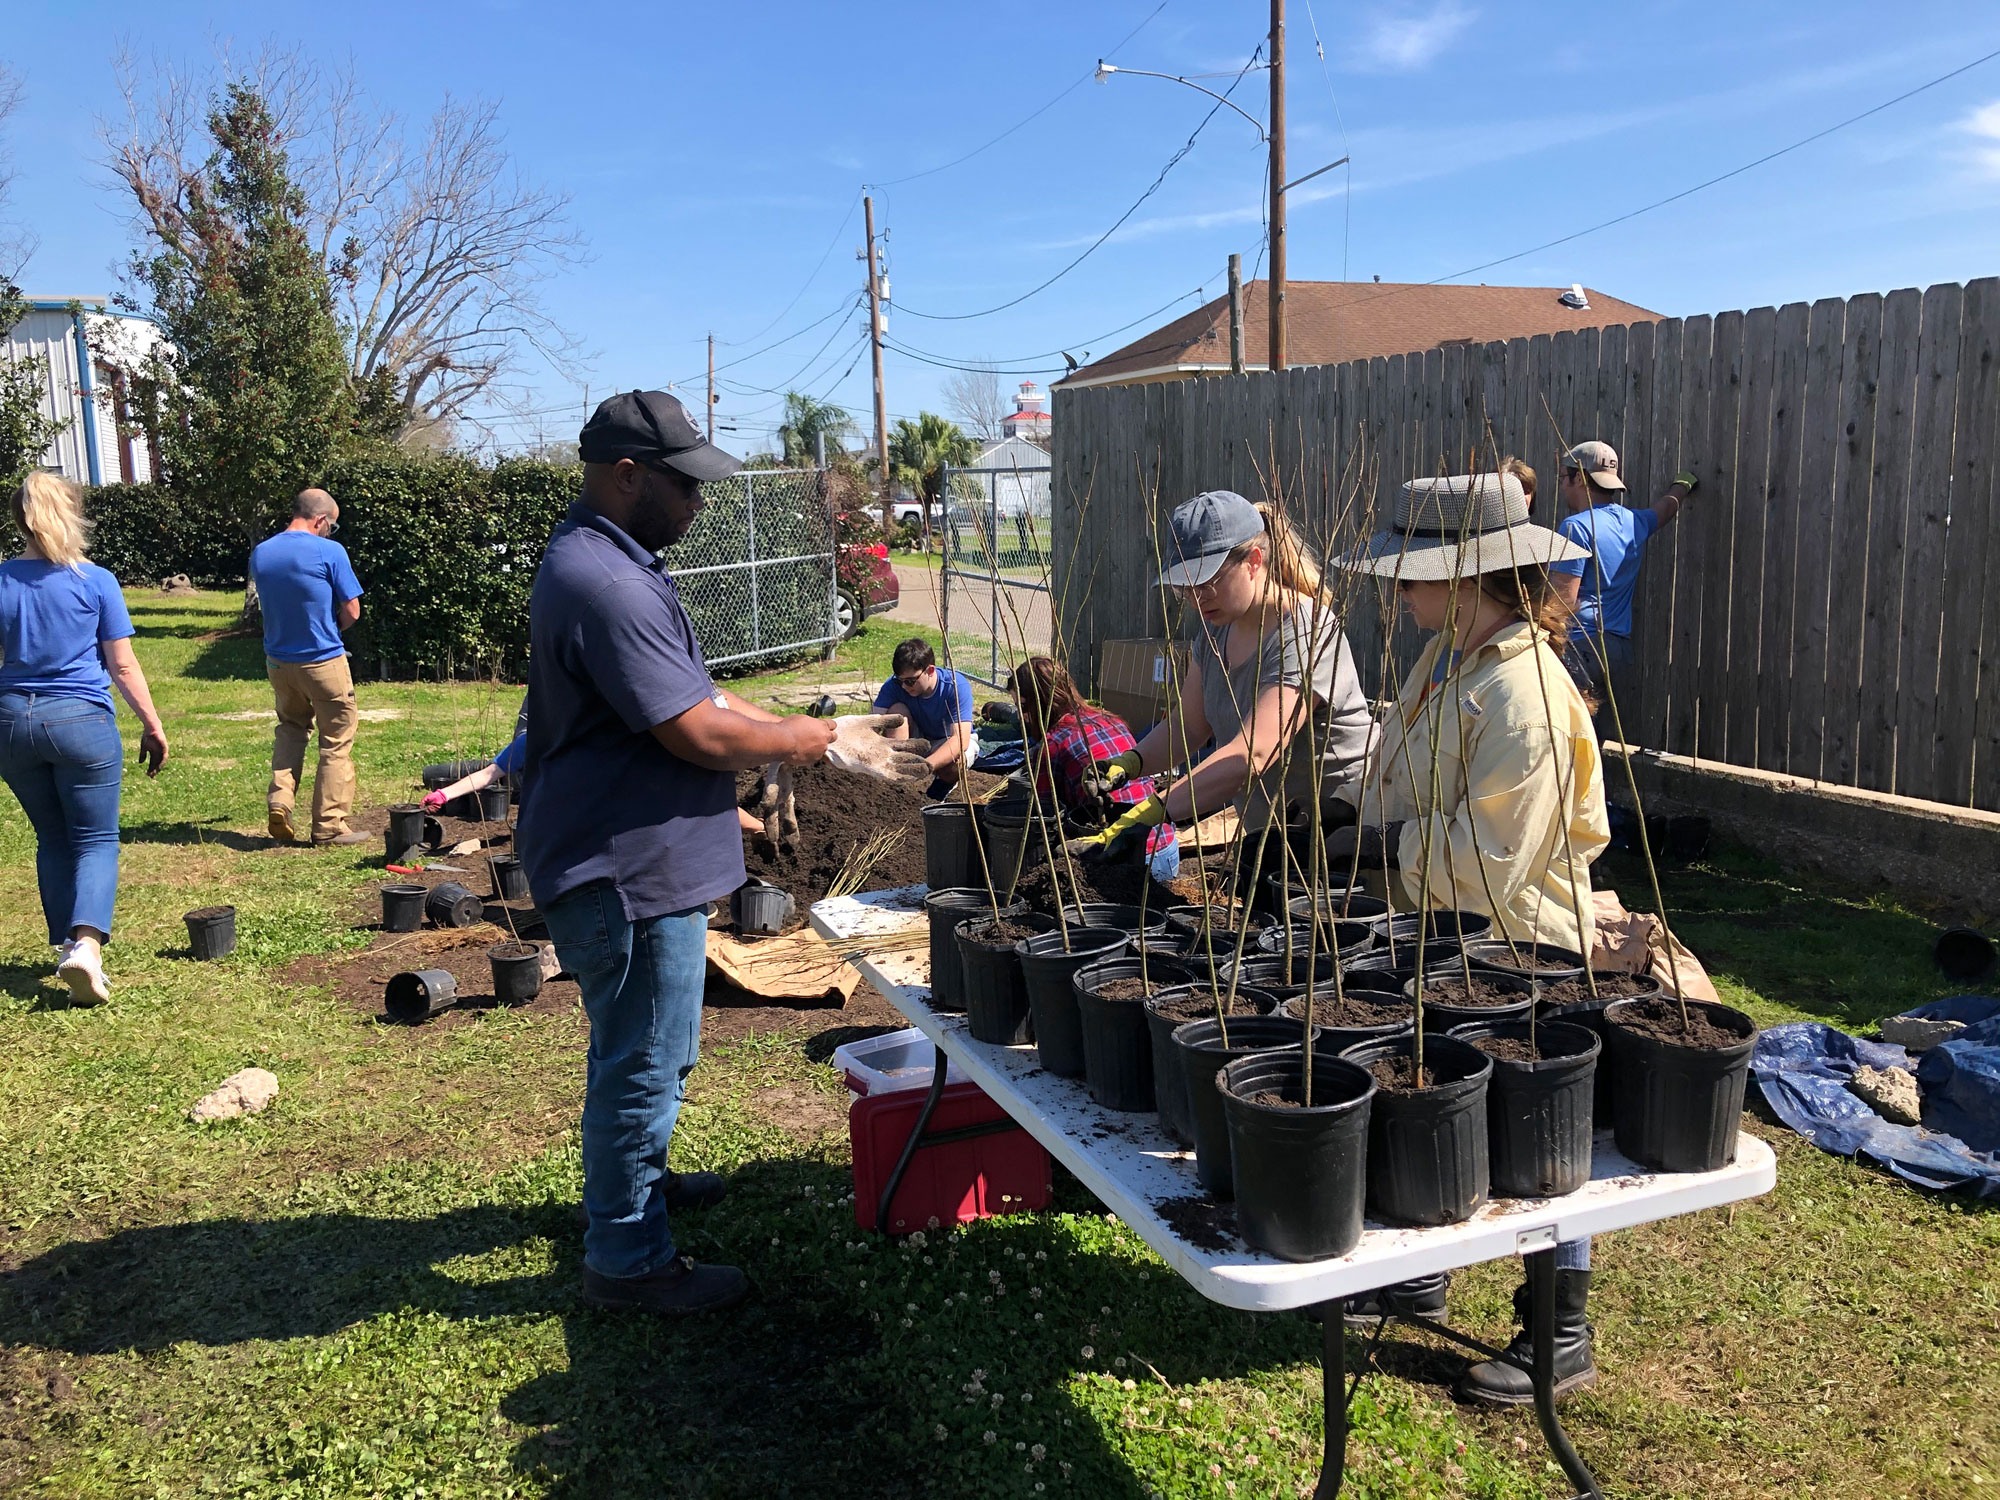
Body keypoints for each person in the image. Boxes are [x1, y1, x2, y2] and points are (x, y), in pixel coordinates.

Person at [517, 389, 836, 1318]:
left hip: (635, 854)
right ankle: (627, 1257)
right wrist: (803, 742)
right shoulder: (609, 583)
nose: (698, 504)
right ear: (626, 475)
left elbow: (696, 697)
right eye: (684, 485)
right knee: (643, 1059)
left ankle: (636, 1185)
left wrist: (780, 726)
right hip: (625, 868)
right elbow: (695, 730)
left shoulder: (610, 561)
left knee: (656, 1046)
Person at [1331, 468, 1610, 1406]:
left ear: (1467, 576)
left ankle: (1560, 1330)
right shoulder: (1448, 658)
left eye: (1409, 574)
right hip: (1436, 931)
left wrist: (1380, 847)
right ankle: (1420, 1269)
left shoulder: (1524, 695)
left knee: (1541, 1143)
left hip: (1522, 947)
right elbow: (1404, 768)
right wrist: (1350, 826)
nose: (1394, 589)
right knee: (1439, 1097)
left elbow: (1495, 854)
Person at [1066, 491, 1375, 894]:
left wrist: (1157, 809)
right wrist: (1131, 762)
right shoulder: (1215, 628)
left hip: (1336, 836)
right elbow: (1190, 726)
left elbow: (1255, 752)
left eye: (1208, 581)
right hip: (1272, 833)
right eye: (1186, 587)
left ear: (1254, 562)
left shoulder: (1304, 633)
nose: (1196, 599)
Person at [0, 473, 168, 1005]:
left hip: (10, 723)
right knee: (96, 839)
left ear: (19, 519)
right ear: (73, 515)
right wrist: (152, 723)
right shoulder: (95, 581)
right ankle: (87, 947)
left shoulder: (1, 580)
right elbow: (121, 662)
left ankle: (66, 945)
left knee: (52, 837)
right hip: (79, 721)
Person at [1546, 441, 1696, 735]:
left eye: (1564, 477)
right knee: (1595, 739)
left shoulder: (1576, 527)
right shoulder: (1632, 521)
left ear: (1579, 477)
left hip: (1579, 648)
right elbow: (1665, 509)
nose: (1563, 486)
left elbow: (1561, 602)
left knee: (1567, 739)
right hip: (1615, 650)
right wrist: (1683, 486)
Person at [249, 488, 367, 846]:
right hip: (323, 661)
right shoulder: (329, 551)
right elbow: (352, 611)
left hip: (279, 663)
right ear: (320, 520)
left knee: (291, 729)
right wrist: (334, 627)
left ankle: (280, 801)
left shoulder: (262, 552)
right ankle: (329, 826)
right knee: (336, 741)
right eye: (332, 524)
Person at [1009, 655, 1178, 882]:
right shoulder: (1109, 720)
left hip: (1125, 862)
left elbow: (1045, 816)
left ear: (1035, 703)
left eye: (1022, 706)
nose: (1022, 716)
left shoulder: (1053, 744)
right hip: (1166, 847)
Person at [873, 637, 975, 797]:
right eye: (900, 681)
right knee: (896, 712)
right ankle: (897, 780)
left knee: (955, 763)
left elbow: (960, 740)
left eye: (910, 681)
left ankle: (938, 792)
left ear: (930, 671)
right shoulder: (894, 685)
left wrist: (925, 766)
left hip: (946, 738)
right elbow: (874, 722)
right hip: (918, 738)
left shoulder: (955, 686)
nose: (905, 687)